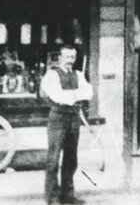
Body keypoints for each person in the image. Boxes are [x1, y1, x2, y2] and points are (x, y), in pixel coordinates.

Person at [40, 44, 93, 205]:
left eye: (72, 57)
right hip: (58, 118)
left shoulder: (78, 74)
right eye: (67, 56)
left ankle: (67, 195)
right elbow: (58, 96)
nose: (70, 60)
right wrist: (76, 95)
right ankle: (53, 198)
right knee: (54, 158)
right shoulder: (51, 75)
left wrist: (72, 95)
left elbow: (89, 93)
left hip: (74, 119)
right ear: (60, 57)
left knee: (71, 159)